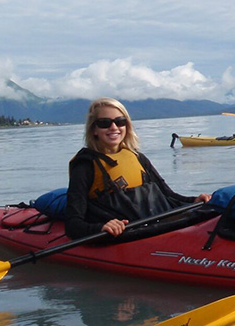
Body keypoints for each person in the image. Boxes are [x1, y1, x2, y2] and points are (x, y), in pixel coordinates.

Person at [65, 97, 210, 239]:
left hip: (158, 227)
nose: (114, 127)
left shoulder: (137, 157)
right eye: (104, 123)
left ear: (127, 126)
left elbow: (168, 195)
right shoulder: (85, 166)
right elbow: (73, 225)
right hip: (128, 235)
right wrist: (100, 227)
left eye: (120, 121)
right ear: (94, 129)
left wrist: (194, 201)